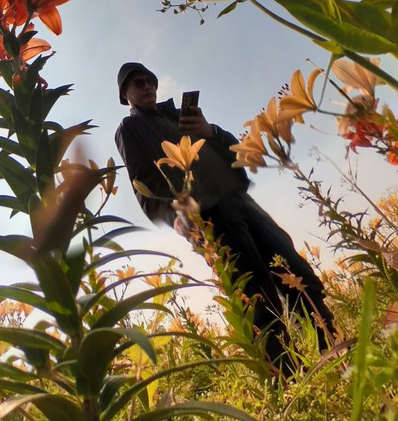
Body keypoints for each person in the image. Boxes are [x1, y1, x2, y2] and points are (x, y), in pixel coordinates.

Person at [113, 61, 334, 377]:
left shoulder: (182, 117)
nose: (146, 86)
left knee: (294, 269)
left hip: (241, 201)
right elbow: (143, 182)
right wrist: (178, 217)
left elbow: (236, 154)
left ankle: (332, 347)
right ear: (125, 94)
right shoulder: (130, 128)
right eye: (137, 83)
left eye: (149, 81)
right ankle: (290, 378)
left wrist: (210, 131)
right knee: (253, 292)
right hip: (206, 215)